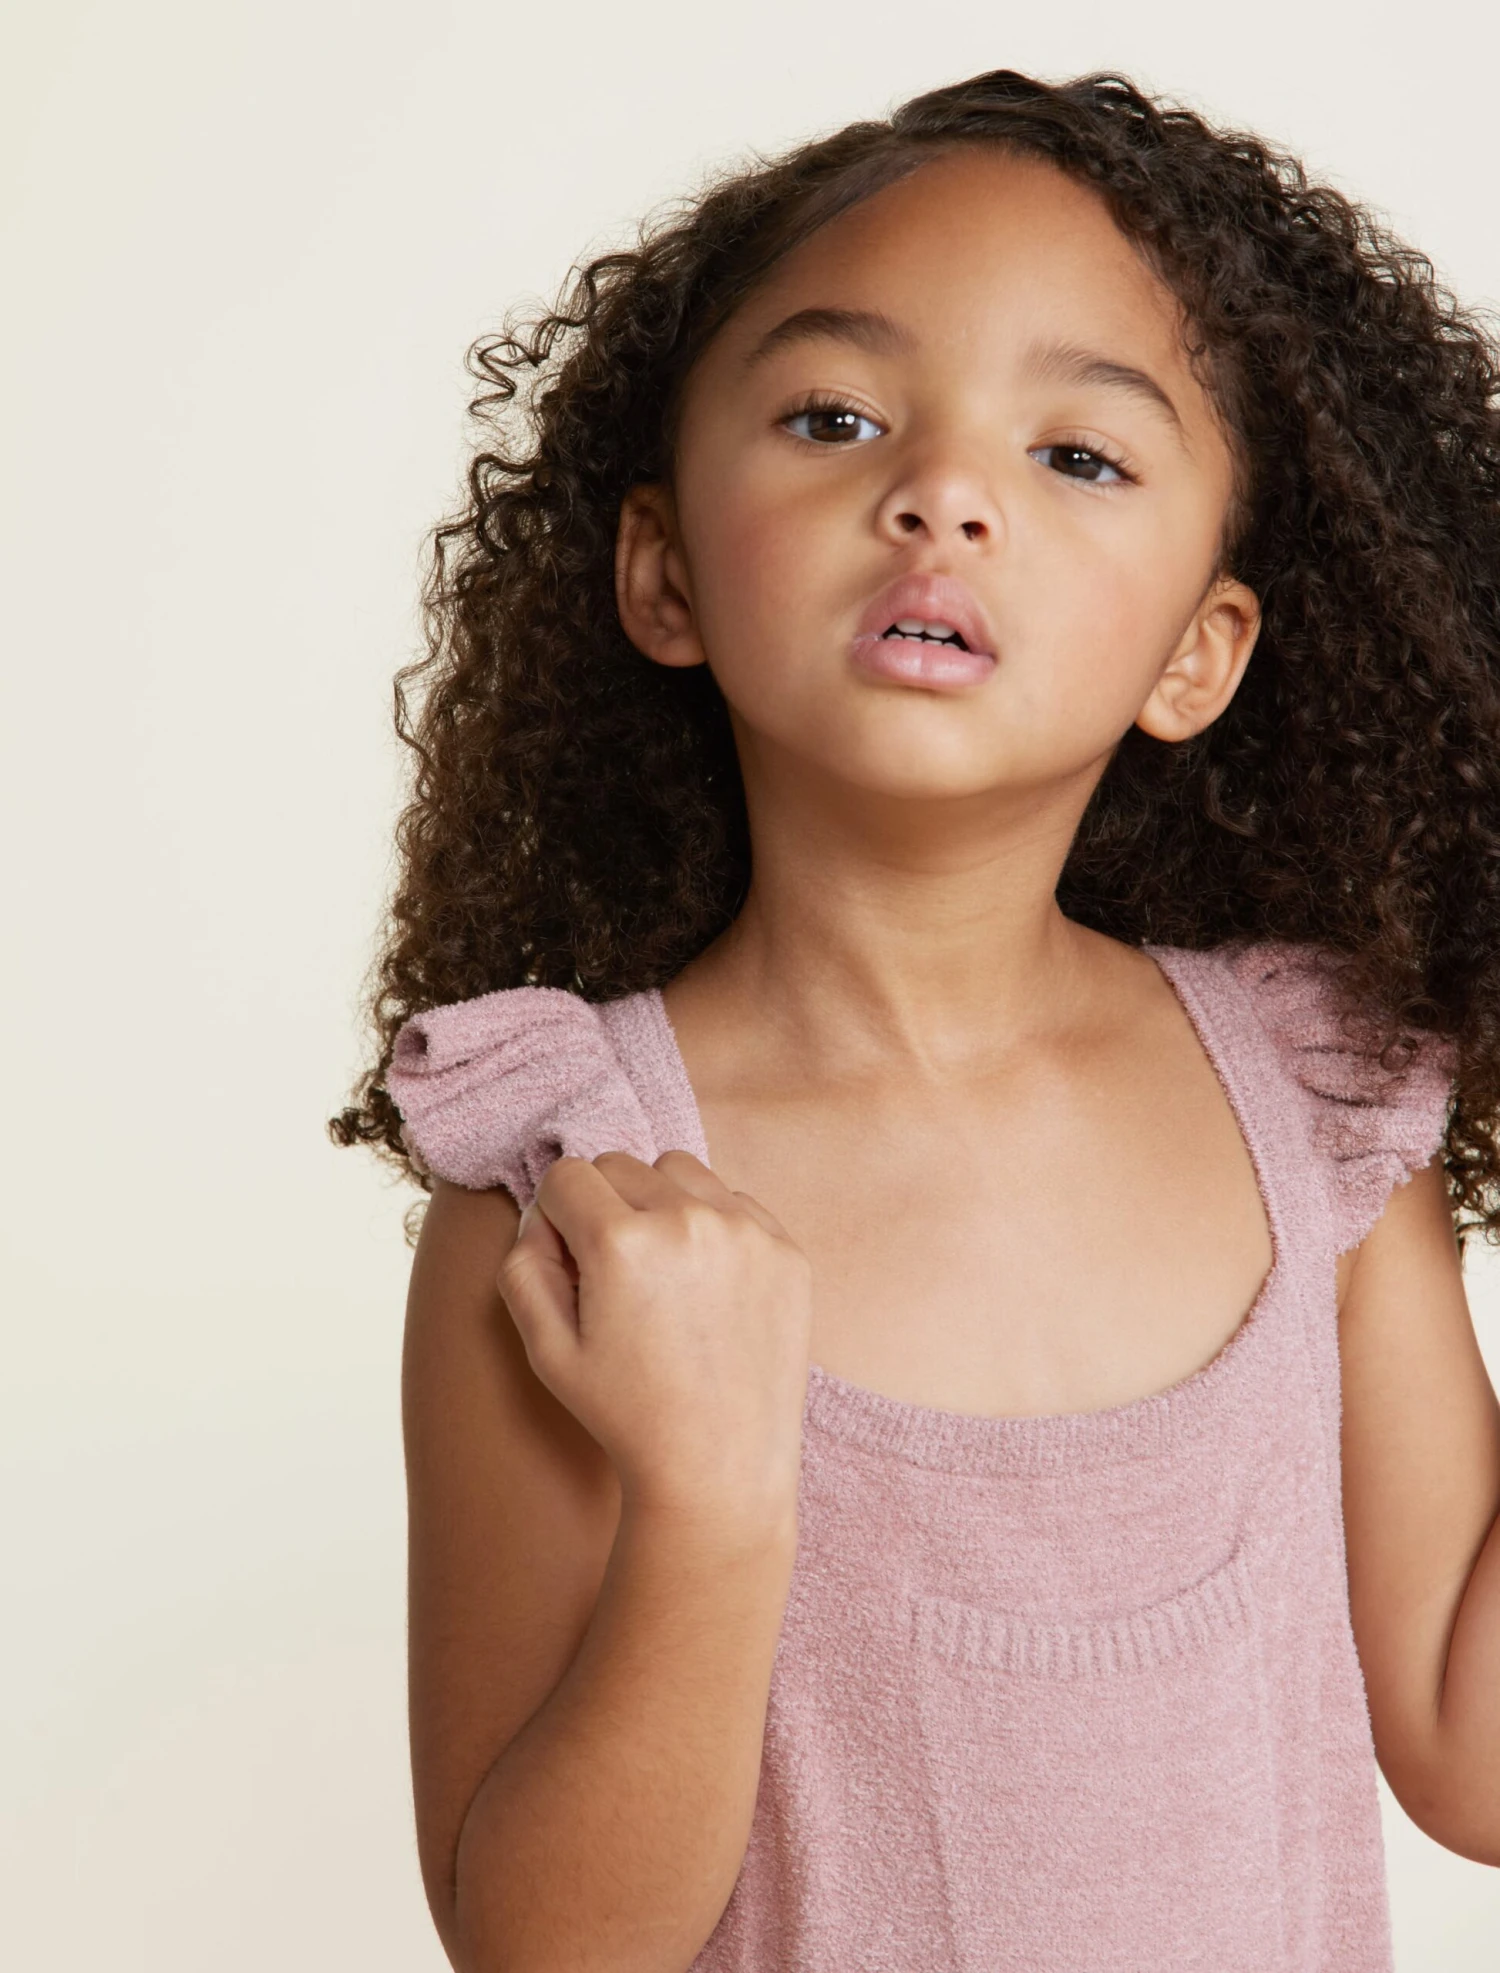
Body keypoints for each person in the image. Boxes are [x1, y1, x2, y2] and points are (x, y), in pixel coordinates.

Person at [329, 68, 1500, 1972]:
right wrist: (712, 1503)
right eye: (836, 417)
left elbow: (1476, 1748)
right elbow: (539, 1950)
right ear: (663, 570)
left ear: (1198, 655)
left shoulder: (1316, 1111)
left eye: (1080, 456)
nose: (942, 494)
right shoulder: (582, 1195)